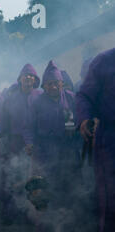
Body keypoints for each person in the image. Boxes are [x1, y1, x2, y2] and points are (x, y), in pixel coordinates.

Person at [76, 48, 115, 232]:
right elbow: (84, 96)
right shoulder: (103, 61)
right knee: (110, 196)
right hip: (109, 137)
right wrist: (83, 118)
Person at [25, 61, 81, 210]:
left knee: (70, 187)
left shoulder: (72, 99)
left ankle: (70, 220)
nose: (53, 87)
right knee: (47, 189)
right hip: (45, 154)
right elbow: (29, 128)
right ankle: (51, 223)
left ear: (62, 83)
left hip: (69, 152)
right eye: (49, 84)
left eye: (56, 83)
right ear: (44, 86)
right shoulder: (37, 104)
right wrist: (29, 143)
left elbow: (82, 121)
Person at [0, 64, 42, 225]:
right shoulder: (11, 99)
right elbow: (2, 121)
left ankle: (31, 215)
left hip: (36, 145)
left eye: (31, 76)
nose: (28, 79)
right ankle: (9, 213)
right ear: (19, 80)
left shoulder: (41, 96)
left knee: (33, 179)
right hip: (15, 143)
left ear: (35, 80)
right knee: (12, 176)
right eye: (25, 76)